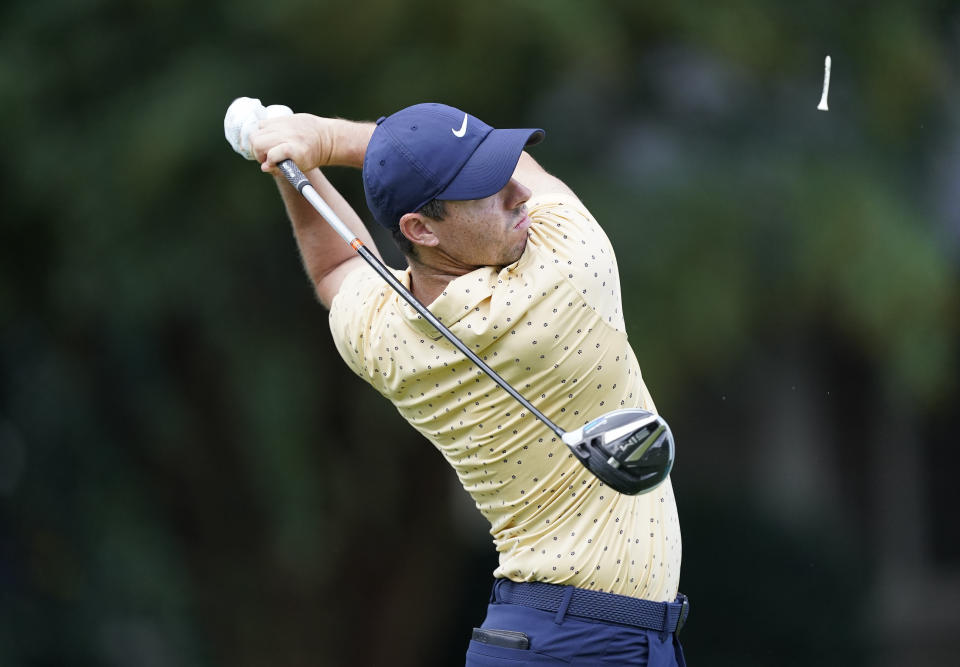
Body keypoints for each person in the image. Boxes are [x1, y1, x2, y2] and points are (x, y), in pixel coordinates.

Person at [250, 102, 687, 666]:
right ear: (419, 229)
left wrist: (295, 168)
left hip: (530, 637)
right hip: (593, 644)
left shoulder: (387, 339)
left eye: (499, 170)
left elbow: (337, 270)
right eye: (485, 189)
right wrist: (322, 139)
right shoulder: (570, 268)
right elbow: (534, 172)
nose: (517, 195)